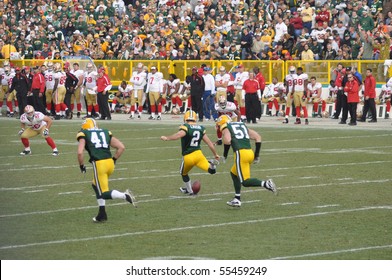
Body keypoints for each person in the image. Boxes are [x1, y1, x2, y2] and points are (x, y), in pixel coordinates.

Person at [77, 118, 136, 222]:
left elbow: (80, 153)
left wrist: (81, 165)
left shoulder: (83, 133)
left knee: (104, 193)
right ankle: (102, 214)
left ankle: (124, 195)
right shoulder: (105, 131)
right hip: (110, 163)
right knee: (95, 185)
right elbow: (121, 147)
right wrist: (114, 160)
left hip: (99, 165)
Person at [216, 115, 277, 207]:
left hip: (241, 154)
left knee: (245, 182)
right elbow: (258, 137)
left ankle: (266, 183)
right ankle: (237, 198)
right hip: (249, 153)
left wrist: (225, 155)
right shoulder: (241, 125)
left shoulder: (226, 127)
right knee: (233, 173)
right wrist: (256, 155)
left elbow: (228, 140)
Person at [160, 110, 220, 195]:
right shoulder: (201, 128)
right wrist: (215, 154)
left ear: (185, 118)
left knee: (183, 173)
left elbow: (178, 135)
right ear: (195, 118)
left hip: (188, 156)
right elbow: (209, 143)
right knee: (211, 171)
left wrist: (167, 138)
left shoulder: (185, 127)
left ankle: (190, 190)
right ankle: (213, 165)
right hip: (199, 155)